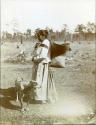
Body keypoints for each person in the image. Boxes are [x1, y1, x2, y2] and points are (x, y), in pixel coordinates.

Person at [31, 29, 57, 103]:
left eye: (39, 35)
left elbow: (43, 56)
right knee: (37, 80)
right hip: (38, 63)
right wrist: (36, 48)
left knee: (40, 81)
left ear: (42, 35)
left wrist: (35, 59)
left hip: (42, 64)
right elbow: (35, 52)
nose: (38, 37)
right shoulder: (41, 42)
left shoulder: (46, 42)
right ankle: (37, 97)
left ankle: (40, 98)